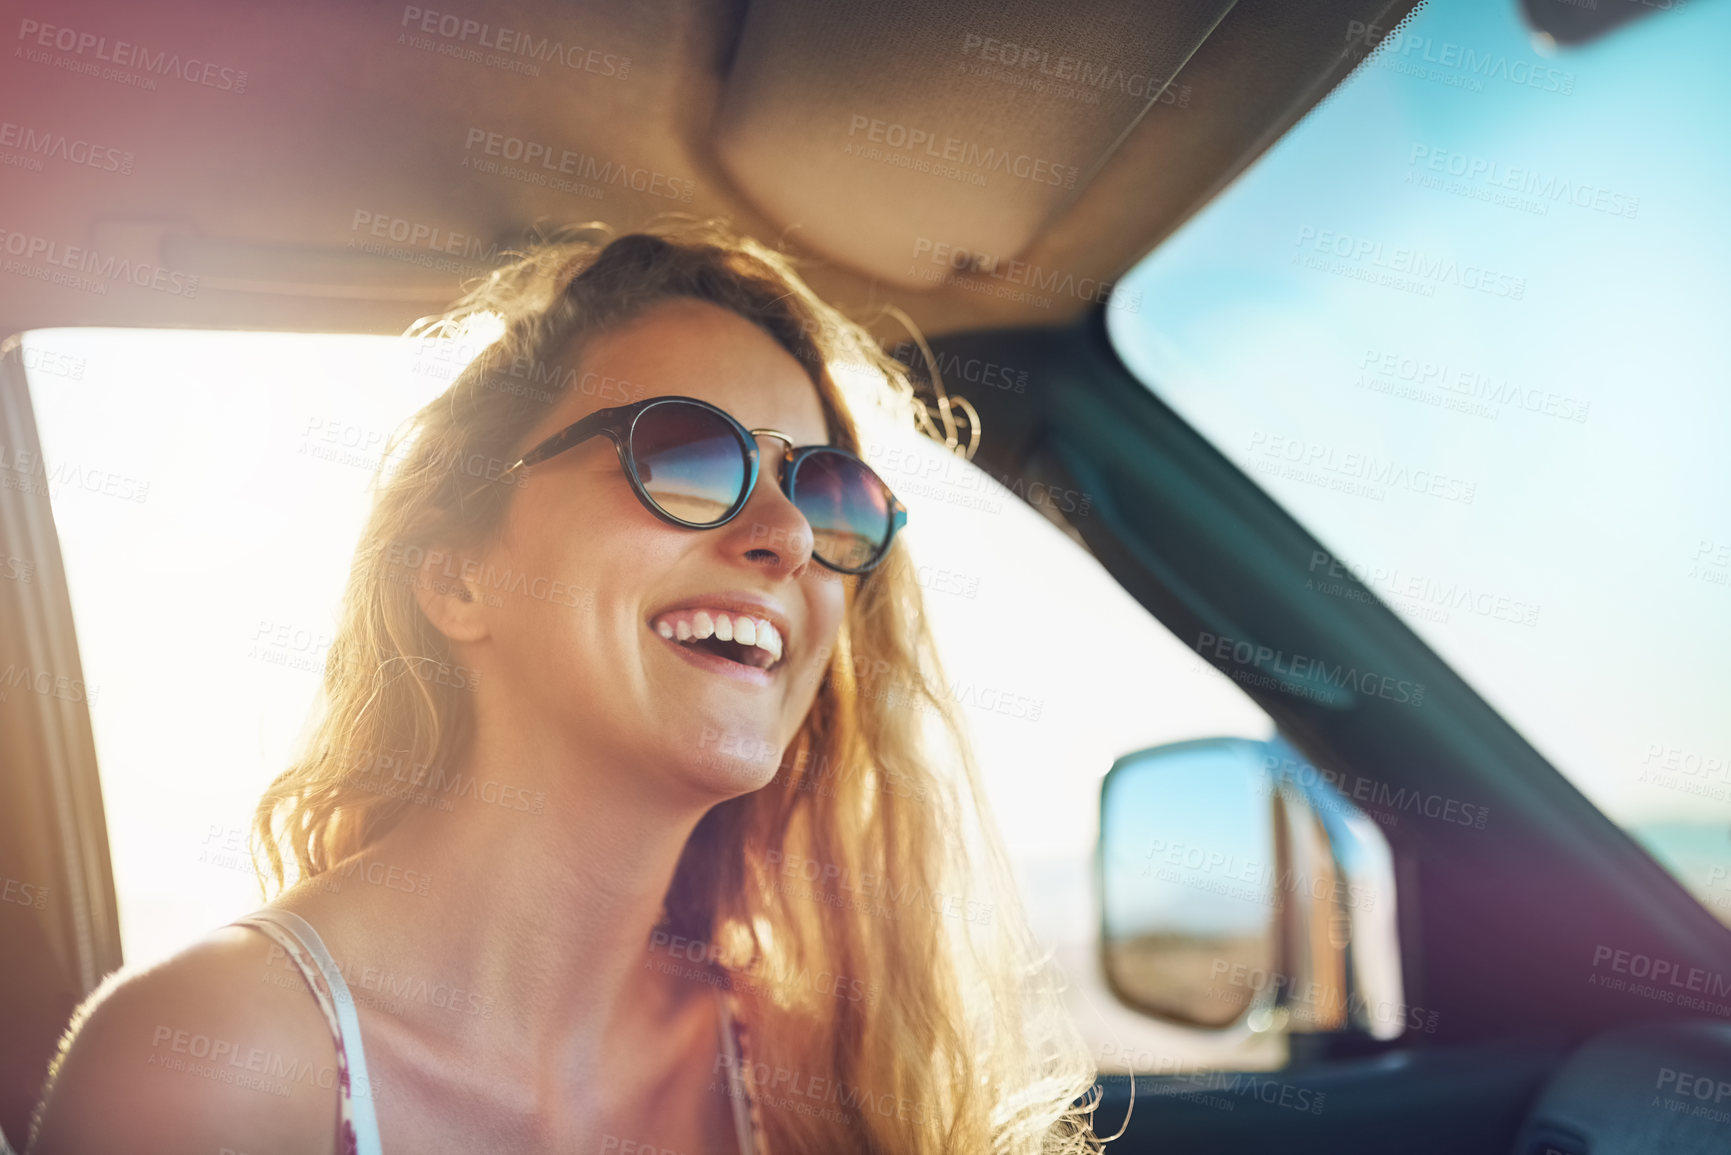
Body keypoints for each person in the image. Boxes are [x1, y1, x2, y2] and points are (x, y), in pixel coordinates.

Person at [26, 219, 1102, 1154]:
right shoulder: (216, 1066)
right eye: (684, 457)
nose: (783, 539)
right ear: (456, 576)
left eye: (828, 496)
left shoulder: (814, 1073)